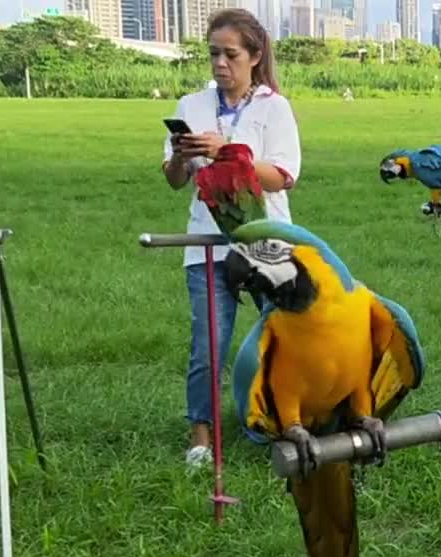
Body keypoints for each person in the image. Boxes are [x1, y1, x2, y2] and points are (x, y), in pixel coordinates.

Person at [162, 8, 302, 469]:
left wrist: (228, 151)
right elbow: (175, 180)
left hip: (265, 241)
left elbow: (282, 177)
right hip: (206, 241)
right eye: (213, 54)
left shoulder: (273, 107)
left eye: (230, 54)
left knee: (280, 338)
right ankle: (201, 435)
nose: (220, 64)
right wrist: (183, 157)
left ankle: (283, 421)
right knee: (210, 345)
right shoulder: (192, 105)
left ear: (255, 56)